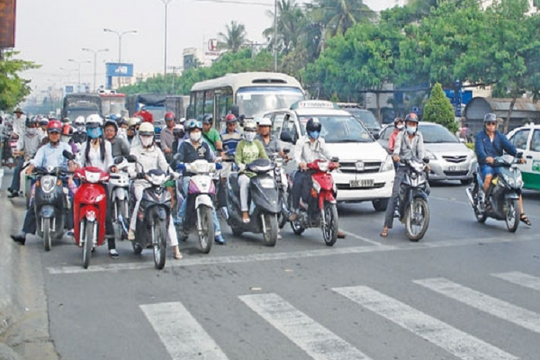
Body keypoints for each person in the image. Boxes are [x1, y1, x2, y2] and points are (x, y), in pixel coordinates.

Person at [11, 120, 76, 245]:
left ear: (60, 134)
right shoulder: (43, 149)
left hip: (61, 179)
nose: (54, 135)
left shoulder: (65, 147)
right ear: (48, 134)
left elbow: (71, 162)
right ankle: (24, 233)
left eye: (57, 133)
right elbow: (35, 162)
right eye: (52, 133)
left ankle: (72, 228)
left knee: (70, 198)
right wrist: (30, 169)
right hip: (45, 179)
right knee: (34, 200)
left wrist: (71, 167)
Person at [128, 122, 183, 259]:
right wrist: (134, 174)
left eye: (149, 135)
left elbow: (165, 166)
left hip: (157, 185)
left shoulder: (157, 151)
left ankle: (176, 249)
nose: (146, 137)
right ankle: (132, 229)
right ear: (139, 136)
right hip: (141, 183)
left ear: (153, 136)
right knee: (139, 199)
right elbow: (130, 168)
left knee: (167, 212)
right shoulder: (134, 151)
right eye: (144, 135)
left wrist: (172, 173)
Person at [289, 117, 345, 240]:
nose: (315, 132)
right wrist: (300, 163)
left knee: (330, 186)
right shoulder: (301, 142)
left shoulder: (321, 141)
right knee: (298, 182)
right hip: (305, 170)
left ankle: (333, 224)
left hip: (319, 170)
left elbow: (328, 154)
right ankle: (295, 210)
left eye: (317, 129)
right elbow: (296, 156)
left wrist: (334, 162)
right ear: (308, 130)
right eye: (312, 129)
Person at [474, 113, 531, 225]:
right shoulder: (480, 137)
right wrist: (486, 158)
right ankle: (486, 200)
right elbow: (479, 151)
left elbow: (509, 147)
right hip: (486, 165)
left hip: (499, 164)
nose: (491, 126)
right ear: (485, 124)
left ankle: (521, 212)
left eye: (493, 123)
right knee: (489, 177)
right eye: (489, 123)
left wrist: (518, 156)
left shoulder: (500, 137)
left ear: (496, 124)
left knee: (514, 183)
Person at [176, 120, 226, 244]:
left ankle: (217, 232)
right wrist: (181, 165)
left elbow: (211, 160)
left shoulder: (204, 145)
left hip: (204, 176)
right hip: (189, 177)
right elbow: (179, 159)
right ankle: (180, 217)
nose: (196, 133)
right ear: (189, 132)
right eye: (193, 131)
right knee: (190, 195)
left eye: (198, 131)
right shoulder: (184, 145)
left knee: (210, 201)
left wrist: (216, 164)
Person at [380, 113, 426, 237]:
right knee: (394, 195)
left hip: (415, 167)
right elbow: (397, 148)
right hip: (403, 166)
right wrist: (396, 155)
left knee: (426, 188)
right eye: (410, 124)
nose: (412, 126)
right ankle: (386, 226)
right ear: (406, 125)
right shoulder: (401, 135)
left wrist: (425, 163)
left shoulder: (419, 136)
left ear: (417, 126)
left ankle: (420, 210)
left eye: (414, 124)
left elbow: (421, 153)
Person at [234, 120, 269, 223]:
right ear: (244, 131)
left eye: (253, 130)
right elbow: (237, 159)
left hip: (257, 173)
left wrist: (269, 164)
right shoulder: (241, 144)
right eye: (248, 130)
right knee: (245, 183)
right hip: (245, 173)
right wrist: (241, 165)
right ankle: (244, 211)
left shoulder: (258, 143)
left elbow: (265, 157)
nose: (251, 133)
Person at [7, 117, 42, 198]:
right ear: (26, 126)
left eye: (32, 126)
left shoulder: (39, 134)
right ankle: (15, 189)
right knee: (17, 169)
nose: (31, 128)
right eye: (29, 126)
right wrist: (17, 150)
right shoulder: (23, 134)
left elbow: (43, 142)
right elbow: (20, 144)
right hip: (26, 156)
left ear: (35, 126)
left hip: (37, 157)